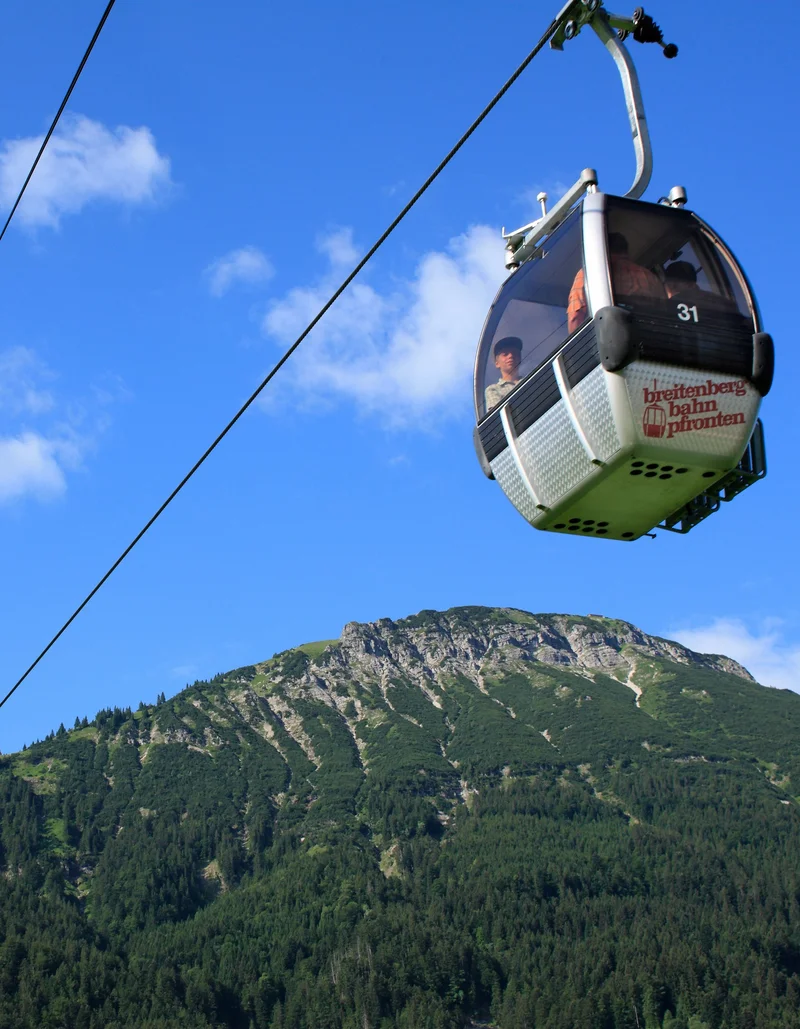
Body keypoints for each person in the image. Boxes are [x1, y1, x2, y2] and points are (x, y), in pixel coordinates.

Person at [566, 232, 664, 332]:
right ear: (626, 251)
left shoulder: (589, 273)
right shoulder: (648, 276)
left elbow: (575, 317)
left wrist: (583, 346)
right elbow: (665, 310)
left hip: (612, 339)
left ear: (604, 249)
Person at [484, 336, 523, 412]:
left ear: (520, 359)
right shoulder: (494, 389)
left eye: (514, 353)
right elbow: (496, 416)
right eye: (505, 354)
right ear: (497, 363)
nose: (511, 356)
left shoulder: (531, 380)